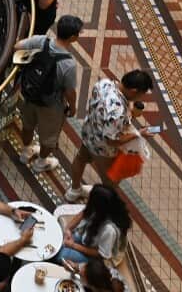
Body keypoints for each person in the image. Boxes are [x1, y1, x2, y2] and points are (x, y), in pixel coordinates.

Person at [66, 69, 156, 202]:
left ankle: (74, 191)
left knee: (80, 159)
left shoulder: (104, 83)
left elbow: (103, 108)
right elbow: (112, 141)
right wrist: (138, 134)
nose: (140, 98)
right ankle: (98, 207)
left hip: (89, 132)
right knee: (111, 182)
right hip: (103, 149)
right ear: (134, 91)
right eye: (141, 95)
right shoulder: (117, 111)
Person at [14, 14, 81, 173]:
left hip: (30, 95)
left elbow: (17, 47)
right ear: (72, 37)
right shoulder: (68, 64)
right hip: (50, 106)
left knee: (28, 125)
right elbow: (69, 91)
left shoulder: (40, 41)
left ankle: (25, 152)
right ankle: (41, 163)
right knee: (49, 138)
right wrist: (73, 107)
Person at [54, 185, 131, 267]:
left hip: (95, 258)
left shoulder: (109, 230)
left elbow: (101, 254)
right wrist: (68, 229)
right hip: (88, 239)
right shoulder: (102, 208)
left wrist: (73, 246)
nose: (86, 200)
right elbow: (83, 213)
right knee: (57, 240)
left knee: (60, 255)